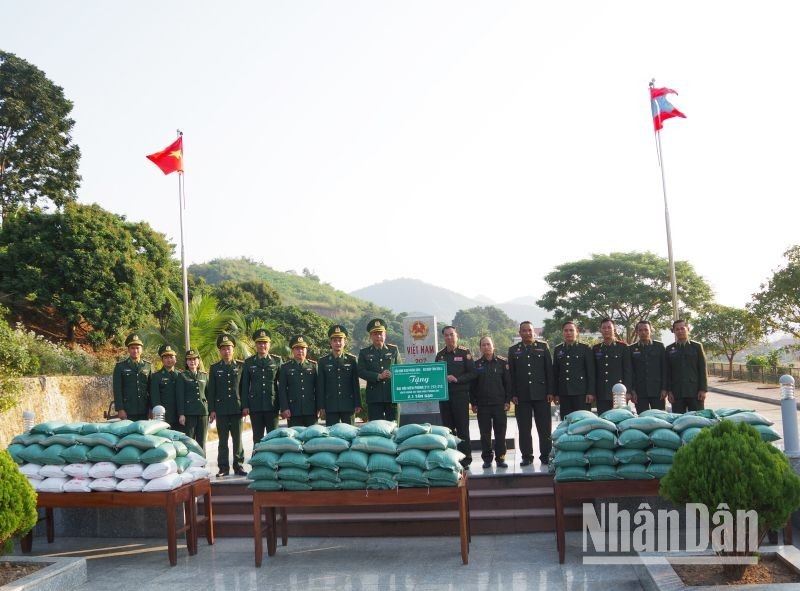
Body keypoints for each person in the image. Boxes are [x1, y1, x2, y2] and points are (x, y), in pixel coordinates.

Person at [508, 321, 555, 466]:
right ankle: (527, 456)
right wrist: (513, 394)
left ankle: (546, 455)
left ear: (534, 332)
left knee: (544, 427)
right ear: (519, 332)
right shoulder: (513, 350)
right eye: (524, 330)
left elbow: (549, 371)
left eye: (530, 330)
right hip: (522, 396)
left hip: (541, 394)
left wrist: (550, 391)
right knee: (524, 428)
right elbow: (511, 375)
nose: (527, 333)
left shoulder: (543, 347)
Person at [435, 326, 477, 467]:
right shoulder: (440, 356)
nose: (449, 338)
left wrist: (457, 379)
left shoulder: (465, 353)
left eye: (451, 335)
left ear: (456, 336)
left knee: (462, 429)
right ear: (443, 338)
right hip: (445, 398)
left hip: (460, 396)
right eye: (446, 335)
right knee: (448, 429)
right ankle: (451, 459)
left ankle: (466, 459)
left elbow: (472, 373)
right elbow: (434, 374)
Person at [471, 336, 512, 469]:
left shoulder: (502, 363)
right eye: (483, 345)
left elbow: (508, 384)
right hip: (482, 406)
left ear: (493, 346)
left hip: (499, 404)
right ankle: (487, 459)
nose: (486, 347)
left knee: (500, 432)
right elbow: (472, 387)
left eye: (488, 344)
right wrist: (473, 403)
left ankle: (500, 458)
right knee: (485, 433)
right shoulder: (476, 365)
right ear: (480, 348)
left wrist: (507, 401)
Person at [207, 333, 245, 477]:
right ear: (220, 351)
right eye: (223, 349)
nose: (226, 351)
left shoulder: (241, 366)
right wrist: (212, 410)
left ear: (233, 349)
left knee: (238, 439)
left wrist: (245, 406)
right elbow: (211, 391)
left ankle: (238, 465)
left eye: (229, 348)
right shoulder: (215, 368)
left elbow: (243, 388)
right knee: (222, 440)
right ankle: (223, 467)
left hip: (237, 408)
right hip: (221, 409)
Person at [241, 328, 282, 446]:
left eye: (264, 343)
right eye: (259, 343)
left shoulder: (277, 361)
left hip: (272, 405)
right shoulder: (249, 362)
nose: (262, 345)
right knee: (257, 438)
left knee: (273, 438)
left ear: (269, 344)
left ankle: (273, 463)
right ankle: (257, 463)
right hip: (255, 406)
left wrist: (283, 406)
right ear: (256, 345)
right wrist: (245, 405)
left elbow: (282, 385)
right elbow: (245, 386)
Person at [358, 318, 402, 421]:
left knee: (394, 427)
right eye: (375, 334)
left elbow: (400, 369)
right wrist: (378, 376)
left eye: (380, 333)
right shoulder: (364, 352)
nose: (378, 336)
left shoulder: (393, 350)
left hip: (392, 396)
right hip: (374, 397)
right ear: (370, 336)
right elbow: (361, 371)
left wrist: (393, 374)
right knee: (376, 429)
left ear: (385, 334)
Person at [317, 324, 361, 425]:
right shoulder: (323, 361)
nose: (337, 343)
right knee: (332, 436)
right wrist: (321, 406)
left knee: (350, 433)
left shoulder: (352, 360)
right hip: (330, 404)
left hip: (348, 404)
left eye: (340, 340)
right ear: (330, 342)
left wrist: (357, 403)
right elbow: (321, 385)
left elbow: (355, 383)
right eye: (335, 340)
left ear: (344, 342)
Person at [552, 321, 595, 418]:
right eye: (566, 330)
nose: (568, 333)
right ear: (562, 332)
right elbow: (555, 373)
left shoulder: (585, 348)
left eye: (571, 330)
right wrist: (556, 394)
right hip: (564, 393)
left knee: (583, 421)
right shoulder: (558, 349)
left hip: (581, 393)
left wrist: (590, 392)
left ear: (577, 332)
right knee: (566, 421)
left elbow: (590, 372)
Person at [665, 319, 708, 413]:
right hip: (677, 392)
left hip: (695, 391)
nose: (680, 331)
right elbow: (668, 372)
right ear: (674, 331)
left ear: (688, 329)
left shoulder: (697, 347)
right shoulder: (669, 349)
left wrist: (703, 389)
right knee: (678, 420)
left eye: (682, 328)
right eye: (677, 329)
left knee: (698, 418)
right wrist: (669, 391)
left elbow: (702, 369)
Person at [591, 318, 632, 414]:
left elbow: (628, 371)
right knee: (604, 419)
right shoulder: (596, 349)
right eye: (604, 328)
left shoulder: (623, 347)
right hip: (602, 391)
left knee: (620, 418)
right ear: (600, 330)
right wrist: (593, 392)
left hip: (619, 393)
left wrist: (628, 391)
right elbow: (593, 372)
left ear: (615, 329)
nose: (606, 330)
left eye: (609, 327)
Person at [278, 335, 319, 427]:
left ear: (306, 350)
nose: (300, 351)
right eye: (297, 348)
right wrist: (285, 408)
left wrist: (319, 407)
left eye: (302, 348)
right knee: (295, 438)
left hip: (311, 410)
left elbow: (318, 388)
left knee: (312, 439)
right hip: (293, 410)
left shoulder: (313, 366)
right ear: (292, 350)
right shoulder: (285, 367)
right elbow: (282, 390)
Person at [629, 320, 667, 413]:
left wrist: (664, 388)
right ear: (637, 332)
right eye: (640, 330)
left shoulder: (659, 346)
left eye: (646, 330)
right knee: (642, 419)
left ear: (651, 331)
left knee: (660, 417)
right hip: (640, 392)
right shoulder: (631, 348)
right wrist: (632, 390)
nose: (643, 332)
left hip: (657, 390)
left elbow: (665, 369)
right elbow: (630, 371)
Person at [112, 332, 152, 421]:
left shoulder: (147, 366)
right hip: (127, 409)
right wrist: (120, 409)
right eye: (132, 348)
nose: (135, 351)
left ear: (142, 349)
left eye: (137, 348)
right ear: (128, 350)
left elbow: (151, 389)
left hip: (144, 409)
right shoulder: (120, 366)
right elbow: (117, 390)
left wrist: (151, 408)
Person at [176, 349, 209, 451]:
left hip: (203, 412)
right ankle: (191, 465)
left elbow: (209, 394)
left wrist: (211, 411)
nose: (192, 361)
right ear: (186, 362)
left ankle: (202, 464)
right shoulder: (182, 376)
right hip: (189, 413)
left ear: (198, 361)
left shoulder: (204, 375)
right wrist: (181, 414)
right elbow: (179, 396)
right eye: (189, 359)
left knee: (202, 441)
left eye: (194, 359)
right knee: (189, 441)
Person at [150, 344, 181, 430]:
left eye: (171, 357)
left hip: (180, 416)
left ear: (175, 359)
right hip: (165, 416)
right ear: (162, 360)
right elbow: (155, 398)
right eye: (166, 357)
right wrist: (159, 416)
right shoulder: (156, 376)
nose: (169, 360)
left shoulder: (181, 375)